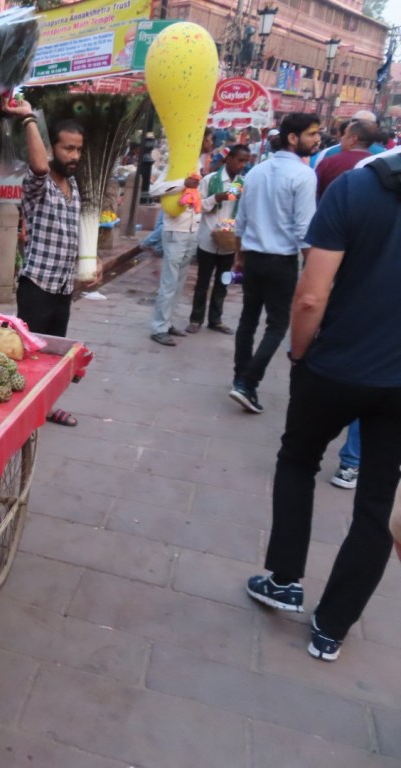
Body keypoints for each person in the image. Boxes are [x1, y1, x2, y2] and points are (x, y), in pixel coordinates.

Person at [245, 152, 401, 663]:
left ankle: (284, 580)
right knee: (377, 503)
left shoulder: (355, 189)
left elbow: (311, 295)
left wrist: (299, 354)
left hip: (333, 367)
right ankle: (332, 627)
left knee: (297, 461)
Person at [3, 99, 99, 427]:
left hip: (62, 287)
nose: (74, 156)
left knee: (53, 354)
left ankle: (45, 406)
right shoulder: (39, 186)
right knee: (30, 353)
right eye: (67, 148)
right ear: (51, 148)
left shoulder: (73, 186)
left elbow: (75, 231)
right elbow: (40, 167)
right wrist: (29, 117)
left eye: (78, 149)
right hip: (37, 286)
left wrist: (92, 259)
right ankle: (21, 409)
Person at [229, 113, 320, 414]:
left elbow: (241, 221)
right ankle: (247, 382)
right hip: (280, 261)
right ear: (293, 138)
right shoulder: (303, 175)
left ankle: (240, 377)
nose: (317, 139)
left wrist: (240, 257)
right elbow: (304, 230)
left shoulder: (257, 171)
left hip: (254, 257)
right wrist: (316, 272)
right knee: (277, 325)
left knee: (248, 319)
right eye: (312, 134)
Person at [148, 128, 213, 346]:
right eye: (208, 139)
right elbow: (155, 190)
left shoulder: (199, 165)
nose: (211, 143)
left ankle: (167, 323)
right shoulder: (178, 165)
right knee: (169, 282)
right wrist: (183, 184)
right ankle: (159, 327)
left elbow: (199, 199)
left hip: (192, 229)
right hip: (176, 230)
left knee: (179, 282)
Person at [187, 144, 249, 335]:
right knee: (203, 281)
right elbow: (198, 206)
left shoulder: (242, 183)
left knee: (223, 281)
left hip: (229, 241)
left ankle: (215, 319)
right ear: (229, 159)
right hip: (208, 238)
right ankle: (196, 319)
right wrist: (217, 198)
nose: (242, 165)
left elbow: (243, 211)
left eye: (245, 162)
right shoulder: (210, 180)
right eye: (240, 160)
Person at [315, 120, 376, 199]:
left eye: (345, 134)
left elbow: (314, 192)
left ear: (354, 139)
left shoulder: (329, 162)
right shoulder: (377, 164)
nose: (341, 138)